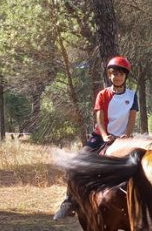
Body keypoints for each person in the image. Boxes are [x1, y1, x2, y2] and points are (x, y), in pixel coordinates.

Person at [53, 56, 139, 220]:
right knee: (76, 164)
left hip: (124, 138)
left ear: (126, 76)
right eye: (114, 74)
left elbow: (132, 118)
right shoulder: (103, 94)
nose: (117, 77)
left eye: (121, 74)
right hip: (101, 137)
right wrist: (105, 135)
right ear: (109, 75)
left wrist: (127, 135)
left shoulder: (132, 95)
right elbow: (99, 117)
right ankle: (68, 201)